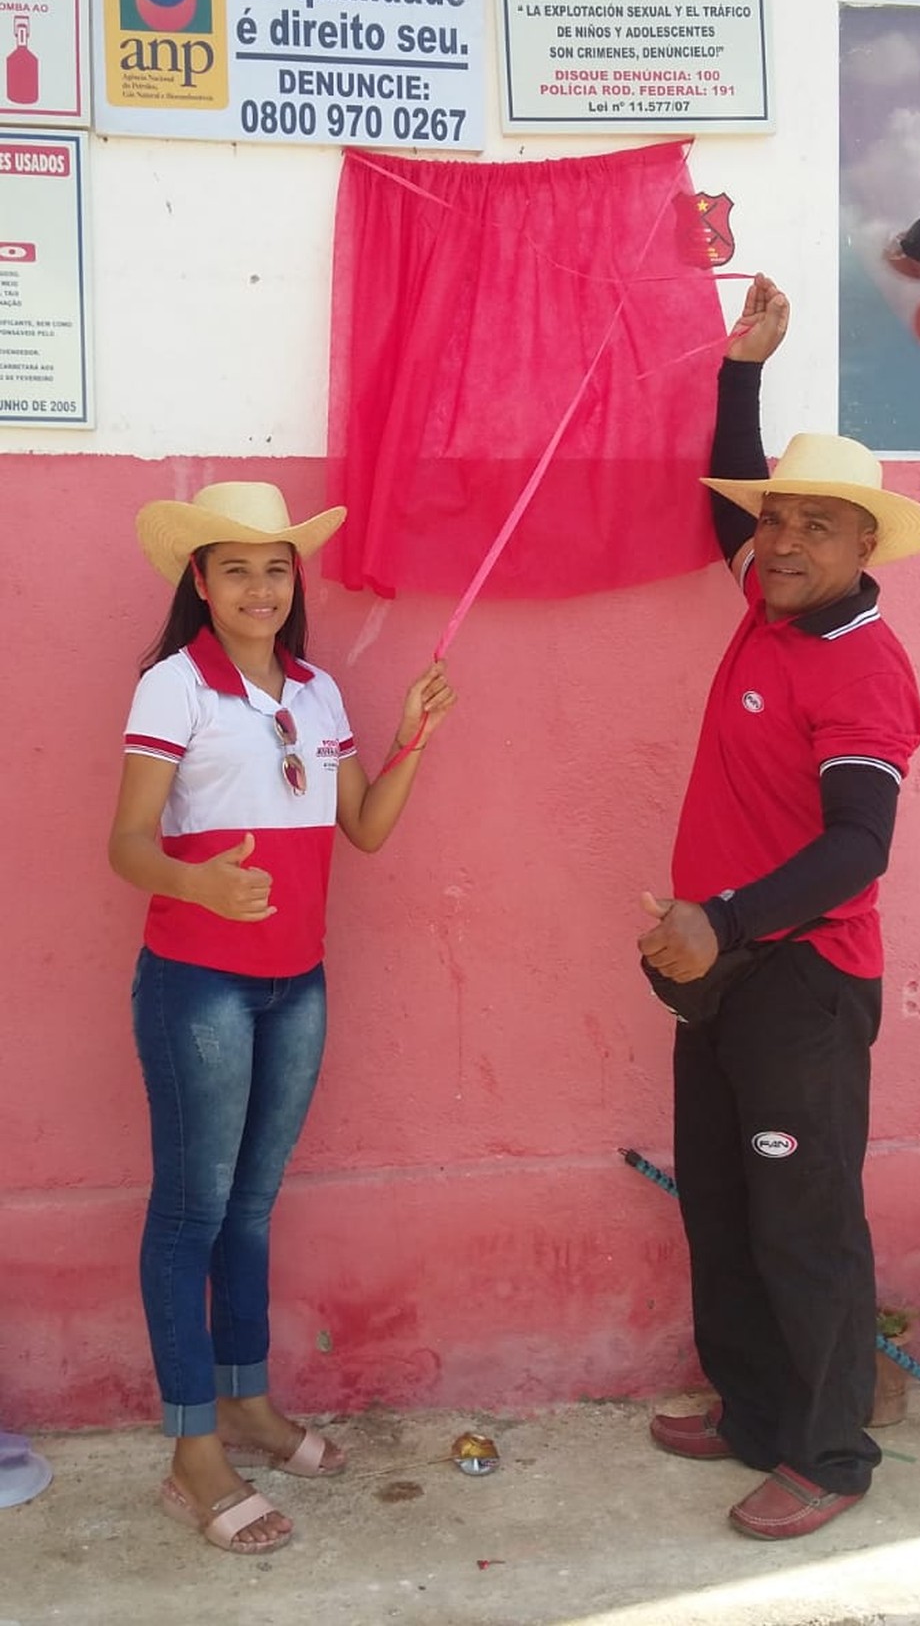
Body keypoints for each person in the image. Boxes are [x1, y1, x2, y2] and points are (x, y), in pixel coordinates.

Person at [639, 277, 920, 1540]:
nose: (784, 543)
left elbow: (859, 848)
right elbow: (733, 494)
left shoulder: (860, 666)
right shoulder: (771, 607)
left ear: (863, 546)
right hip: (721, 974)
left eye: (818, 527)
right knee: (720, 1203)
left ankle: (827, 1451)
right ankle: (756, 1412)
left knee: (804, 1225)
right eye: (779, 524)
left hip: (804, 986)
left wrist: (720, 917)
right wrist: (739, 372)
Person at [108, 481, 456, 1555]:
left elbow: (363, 833)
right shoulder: (176, 689)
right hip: (198, 983)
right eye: (236, 568)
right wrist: (204, 886)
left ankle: (249, 1404)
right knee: (190, 1215)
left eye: (276, 567)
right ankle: (191, 1451)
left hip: (295, 983)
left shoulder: (317, 692)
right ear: (200, 584)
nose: (260, 587)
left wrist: (410, 742)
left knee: (251, 1209)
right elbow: (126, 844)